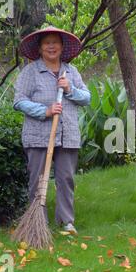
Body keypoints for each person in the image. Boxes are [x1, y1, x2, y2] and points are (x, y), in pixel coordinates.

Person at [14, 26, 90, 234]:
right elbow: (19, 101)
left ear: (62, 46)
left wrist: (69, 89)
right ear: (39, 48)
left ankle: (66, 222)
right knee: (37, 179)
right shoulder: (30, 72)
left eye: (55, 42)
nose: (51, 46)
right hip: (39, 136)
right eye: (46, 42)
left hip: (67, 135)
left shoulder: (71, 71)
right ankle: (38, 223)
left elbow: (87, 98)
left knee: (66, 178)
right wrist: (45, 111)